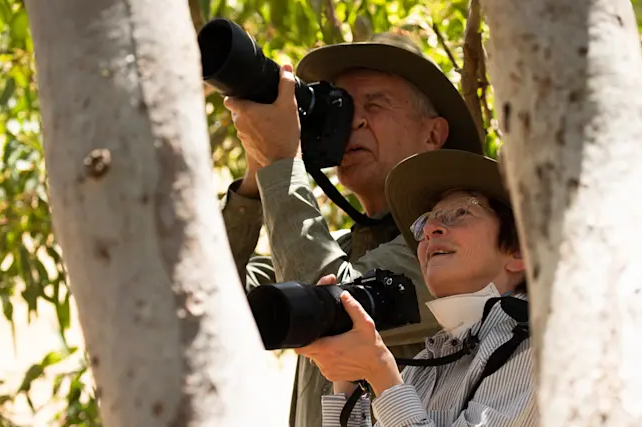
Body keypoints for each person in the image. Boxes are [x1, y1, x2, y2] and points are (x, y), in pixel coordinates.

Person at [219, 32, 484, 427]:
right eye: (342, 107)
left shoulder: (447, 253)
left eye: (376, 104)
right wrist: (257, 176)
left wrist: (281, 161)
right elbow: (200, 305)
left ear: (433, 135)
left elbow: (321, 306)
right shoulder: (338, 247)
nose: (353, 121)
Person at [295, 149, 536, 427]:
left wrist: (379, 369)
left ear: (519, 251)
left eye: (460, 212)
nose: (431, 228)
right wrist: (346, 383)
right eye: (424, 222)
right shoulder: (429, 361)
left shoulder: (537, 351)